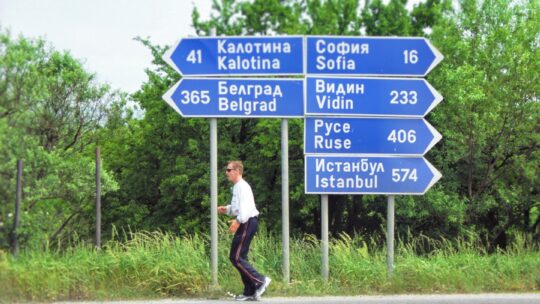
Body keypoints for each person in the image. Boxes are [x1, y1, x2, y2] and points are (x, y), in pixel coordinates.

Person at [218, 160, 271, 301]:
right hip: (246, 222)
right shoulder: (237, 187)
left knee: (236, 257)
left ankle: (260, 281)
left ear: (237, 171)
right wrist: (227, 209)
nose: (226, 172)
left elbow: (246, 208)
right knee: (239, 257)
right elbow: (238, 207)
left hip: (247, 221)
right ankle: (249, 291)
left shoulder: (242, 187)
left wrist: (238, 221)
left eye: (229, 170)